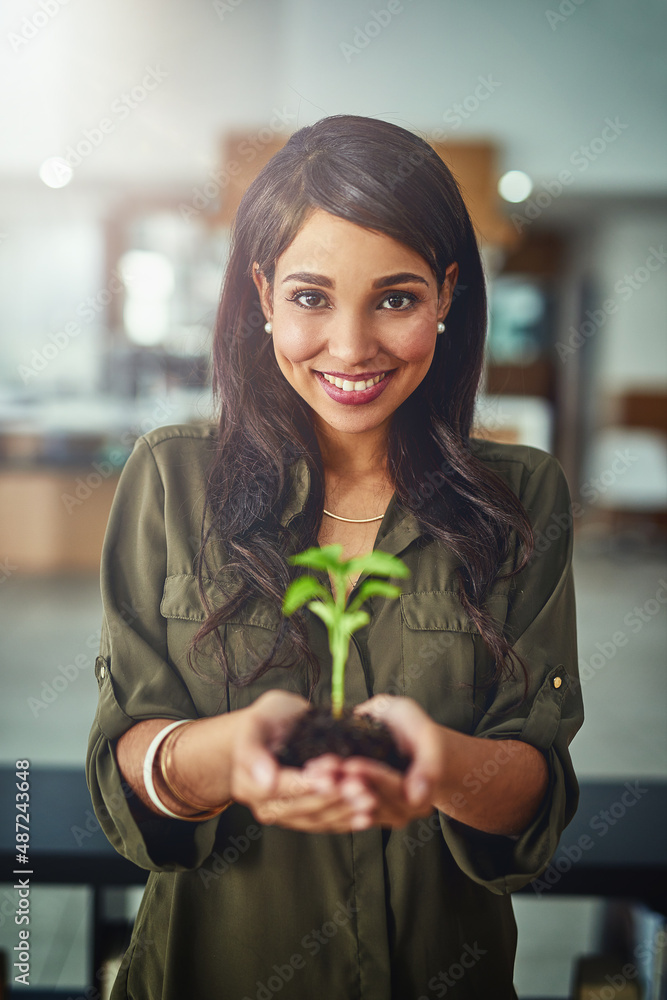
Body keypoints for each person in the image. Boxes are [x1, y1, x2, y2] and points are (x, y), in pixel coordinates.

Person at [86, 114, 584, 1000]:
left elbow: (534, 797)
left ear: (446, 294)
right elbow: (123, 766)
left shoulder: (520, 502)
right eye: (311, 298)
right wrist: (222, 755)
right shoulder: (172, 479)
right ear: (264, 293)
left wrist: (444, 766)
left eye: (394, 298)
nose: (351, 349)